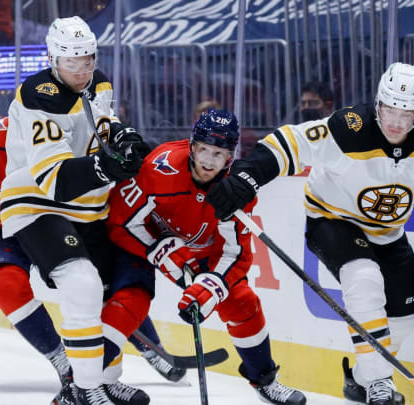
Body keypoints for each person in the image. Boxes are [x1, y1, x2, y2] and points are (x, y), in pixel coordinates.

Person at [206, 63, 414, 405]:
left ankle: (362, 380)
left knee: (405, 319)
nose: (396, 121)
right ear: (378, 103)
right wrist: (247, 177)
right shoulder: (347, 128)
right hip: (332, 220)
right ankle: (381, 383)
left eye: (406, 113)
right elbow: (288, 142)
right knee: (363, 279)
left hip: (389, 233)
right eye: (389, 109)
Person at [0, 115, 185, 389]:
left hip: (66, 226)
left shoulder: (79, 133)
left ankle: (150, 348)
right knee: (6, 283)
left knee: (102, 283)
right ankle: (61, 360)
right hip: (7, 228)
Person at [105, 108, 306, 405]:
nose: (208, 162)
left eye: (219, 154)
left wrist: (210, 287)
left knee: (242, 302)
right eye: (203, 150)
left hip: (207, 256)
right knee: (129, 297)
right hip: (145, 239)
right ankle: (94, 380)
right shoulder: (160, 167)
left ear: (230, 155)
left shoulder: (239, 188)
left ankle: (265, 380)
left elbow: (236, 254)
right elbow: (120, 219)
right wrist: (156, 248)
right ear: (192, 144)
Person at [0, 16, 150, 405]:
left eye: (88, 59)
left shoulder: (99, 83)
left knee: (106, 293)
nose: (82, 69)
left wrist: (121, 136)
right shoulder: (37, 94)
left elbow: (100, 125)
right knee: (80, 283)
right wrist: (104, 166)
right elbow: (53, 178)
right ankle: (84, 390)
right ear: (53, 59)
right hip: (36, 202)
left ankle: (102, 378)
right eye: (73, 62)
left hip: (88, 206)